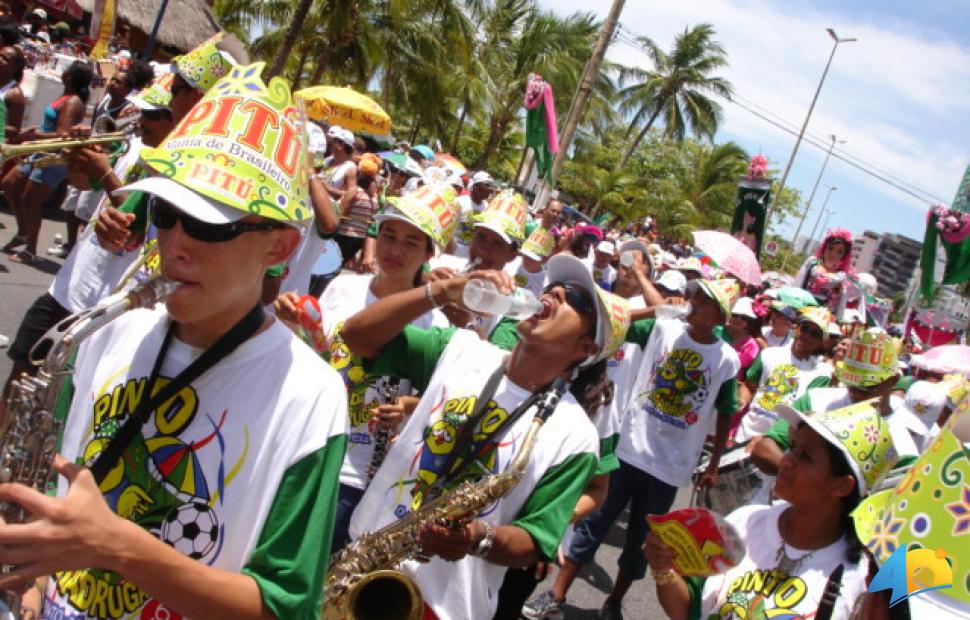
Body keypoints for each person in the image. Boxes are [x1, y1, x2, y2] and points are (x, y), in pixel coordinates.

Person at [0, 63, 347, 620]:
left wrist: (116, 546)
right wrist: (34, 581)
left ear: (279, 248)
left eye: (209, 225)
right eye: (166, 213)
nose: (175, 244)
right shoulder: (106, 329)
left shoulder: (313, 397)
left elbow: (284, 608)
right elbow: (52, 477)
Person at [340, 253, 631, 620]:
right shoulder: (460, 349)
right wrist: (441, 290)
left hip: (444, 606)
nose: (555, 293)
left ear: (587, 348)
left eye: (575, 299)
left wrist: (477, 537)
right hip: (362, 564)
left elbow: (535, 540)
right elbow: (356, 335)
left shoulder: (576, 437)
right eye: (554, 287)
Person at [525, 278, 742, 620]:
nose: (694, 300)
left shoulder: (727, 359)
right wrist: (657, 308)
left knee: (643, 540)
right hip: (630, 448)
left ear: (719, 316)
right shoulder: (663, 330)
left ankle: (614, 602)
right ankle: (556, 592)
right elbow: (618, 325)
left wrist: (713, 464)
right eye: (695, 294)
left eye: (704, 299)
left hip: (671, 466)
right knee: (595, 521)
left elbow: (727, 411)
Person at [274, 182, 454, 552]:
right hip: (304, 443)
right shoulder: (343, 287)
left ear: (428, 253)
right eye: (389, 236)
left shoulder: (434, 326)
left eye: (411, 242)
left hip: (358, 473)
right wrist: (292, 320)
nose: (395, 250)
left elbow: (441, 403)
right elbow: (316, 351)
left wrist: (408, 407)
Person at [643, 399, 898, 619]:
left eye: (805, 456)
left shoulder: (858, 581)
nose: (786, 460)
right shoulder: (744, 522)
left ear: (842, 485)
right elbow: (687, 610)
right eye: (792, 448)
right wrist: (663, 569)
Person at [749, 328, 922, 476]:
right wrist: (800, 483)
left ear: (893, 380)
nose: (856, 393)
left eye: (867, 387)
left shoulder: (901, 447)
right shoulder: (816, 399)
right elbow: (764, 448)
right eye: (851, 384)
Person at [1, 61, 92, 263]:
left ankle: (30, 249)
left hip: (53, 158)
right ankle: (24, 232)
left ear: (69, 76)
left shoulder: (72, 102)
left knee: (31, 201)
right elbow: (51, 125)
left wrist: (35, 135)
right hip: (40, 152)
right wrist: (32, 130)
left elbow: (62, 136)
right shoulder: (65, 96)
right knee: (9, 183)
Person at [735, 306, 834, 444]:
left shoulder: (822, 374)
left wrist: (768, 439)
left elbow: (803, 415)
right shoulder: (769, 354)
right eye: (805, 329)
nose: (807, 335)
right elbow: (749, 386)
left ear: (820, 342)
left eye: (815, 334)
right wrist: (742, 400)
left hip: (777, 443)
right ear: (796, 329)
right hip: (745, 434)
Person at [332, 153, 379, 266]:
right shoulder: (373, 198)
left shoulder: (354, 191)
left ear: (359, 173)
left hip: (344, 235)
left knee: (331, 265)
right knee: (338, 265)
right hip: (359, 238)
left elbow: (341, 214)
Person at [794, 228, 854, 313]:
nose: (833, 254)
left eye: (839, 252)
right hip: (801, 312)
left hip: (822, 320)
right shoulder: (812, 264)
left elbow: (840, 307)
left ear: (843, 256)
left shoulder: (841, 277)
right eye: (830, 248)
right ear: (824, 248)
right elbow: (797, 285)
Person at [453, 170, 497, 257]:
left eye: (492, 186)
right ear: (476, 186)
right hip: (452, 253)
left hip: (471, 256)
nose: (491, 189)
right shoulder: (459, 202)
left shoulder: (488, 208)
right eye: (487, 185)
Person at [0, 44, 25, 143]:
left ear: (15, 67)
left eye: (5, 59)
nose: (0, 59)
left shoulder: (15, 94)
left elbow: (14, 130)